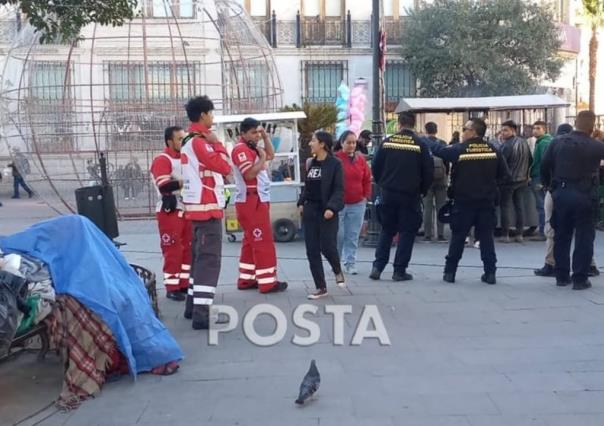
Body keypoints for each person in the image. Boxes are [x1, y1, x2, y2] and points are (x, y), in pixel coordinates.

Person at [426, 118, 511, 284]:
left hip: (463, 202)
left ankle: (450, 273)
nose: (463, 131)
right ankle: (490, 273)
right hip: (486, 202)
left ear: (473, 132)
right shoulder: (493, 149)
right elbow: (505, 176)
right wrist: (490, 186)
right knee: (486, 238)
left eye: (465, 129)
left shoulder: (461, 149)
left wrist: (424, 140)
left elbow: (441, 151)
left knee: (458, 238)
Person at [180, 96, 232, 329]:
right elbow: (224, 167)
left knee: (198, 260)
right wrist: (218, 144)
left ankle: (193, 307)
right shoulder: (200, 142)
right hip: (207, 210)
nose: (212, 118)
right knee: (209, 262)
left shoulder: (188, 141)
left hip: (197, 210)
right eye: (211, 113)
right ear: (202, 115)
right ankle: (202, 314)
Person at [541, 111, 604, 290]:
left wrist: (549, 187)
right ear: (592, 126)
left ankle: (561, 276)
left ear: (575, 122)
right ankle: (580, 278)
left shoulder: (557, 142)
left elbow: (545, 165)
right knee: (584, 237)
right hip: (585, 195)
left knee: (561, 235)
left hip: (561, 192)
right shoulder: (596, 145)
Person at [370, 111, 434, 281]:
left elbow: (375, 166)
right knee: (407, 232)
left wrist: (382, 183)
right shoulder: (421, 144)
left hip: (388, 194)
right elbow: (428, 172)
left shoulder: (387, 143)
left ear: (399, 124)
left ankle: (377, 267)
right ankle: (399, 271)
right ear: (414, 124)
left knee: (387, 230)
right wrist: (423, 190)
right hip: (410, 195)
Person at [230, 117, 288, 294]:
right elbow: (249, 174)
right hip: (251, 201)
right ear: (243, 133)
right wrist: (261, 157)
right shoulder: (241, 150)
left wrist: (265, 137)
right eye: (253, 132)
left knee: (250, 241)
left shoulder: (252, 148)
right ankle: (267, 282)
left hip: (256, 199)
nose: (256, 136)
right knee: (262, 242)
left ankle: (246, 279)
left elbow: (271, 155)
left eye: (258, 132)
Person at [298, 131, 345, 300]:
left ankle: (337, 269)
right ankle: (321, 287)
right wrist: (301, 202)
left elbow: (339, 189)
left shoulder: (335, 164)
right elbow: (308, 187)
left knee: (327, 247)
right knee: (312, 250)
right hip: (311, 211)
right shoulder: (311, 163)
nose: (310, 143)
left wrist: (332, 207)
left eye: (313, 140)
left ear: (322, 144)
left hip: (327, 212)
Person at [150, 126, 192, 302]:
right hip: (170, 210)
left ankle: (183, 284)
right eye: (179, 139)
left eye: (184, 138)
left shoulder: (184, 159)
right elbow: (165, 185)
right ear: (169, 141)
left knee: (187, 249)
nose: (183, 142)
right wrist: (186, 181)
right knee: (172, 249)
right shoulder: (162, 159)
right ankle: (172, 287)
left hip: (185, 208)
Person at [335, 130, 372, 275]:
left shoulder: (360, 159)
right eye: (348, 142)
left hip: (357, 203)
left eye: (354, 142)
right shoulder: (336, 159)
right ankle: (335, 262)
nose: (351, 145)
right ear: (342, 143)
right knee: (339, 234)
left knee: (353, 235)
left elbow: (367, 178)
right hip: (339, 204)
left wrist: (365, 196)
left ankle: (350, 262)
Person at [499, 120, 532, 243]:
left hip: (508, 181)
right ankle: (519, 234)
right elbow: (530, 159)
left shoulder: (507, 145)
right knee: (519, 206)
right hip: (522, 180)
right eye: (502, 130)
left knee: (505, 207)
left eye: (505, 130)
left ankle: (505, 234)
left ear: (513, 130)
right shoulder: (524, 142)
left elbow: (501, 163)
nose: (503, 133)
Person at [422, 122, 449, 242]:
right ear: (436, 130)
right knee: (441, 206)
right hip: (441, 178)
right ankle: (441, 234)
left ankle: (427, 234)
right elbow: (447, 161)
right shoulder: (442, 143)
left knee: (427, 207)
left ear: (425, 130)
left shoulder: (422, 143)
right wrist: (446, 174)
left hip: (426, 179)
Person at [528, 120, 553, 241]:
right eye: (534, 128)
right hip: (542, 176)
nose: (535, 130)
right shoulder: (545, 141)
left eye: (538, 128)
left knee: (541, 205)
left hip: (539, 176)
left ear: (544, 129)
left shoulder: (543, 143)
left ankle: (543, 232)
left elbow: (544, 162)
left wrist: (542, 181)